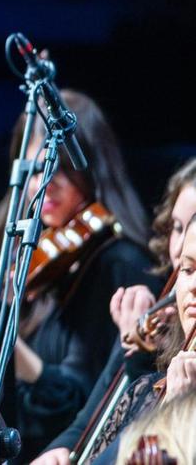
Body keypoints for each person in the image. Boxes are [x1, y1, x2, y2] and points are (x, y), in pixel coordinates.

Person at [0, 90, 162, 460]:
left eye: (61, 168)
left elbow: (76, 403)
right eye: (36, 168)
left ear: (93, 169)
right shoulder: (39, 262)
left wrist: (0, 328)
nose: (47, 182)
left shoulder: (117, 263)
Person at [32, 157, 196, 465]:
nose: (181, 244)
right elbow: (92, 425)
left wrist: (178, 408)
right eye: (177, 227)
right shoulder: (158, 328)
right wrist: (61, 449)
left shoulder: (122, 264)